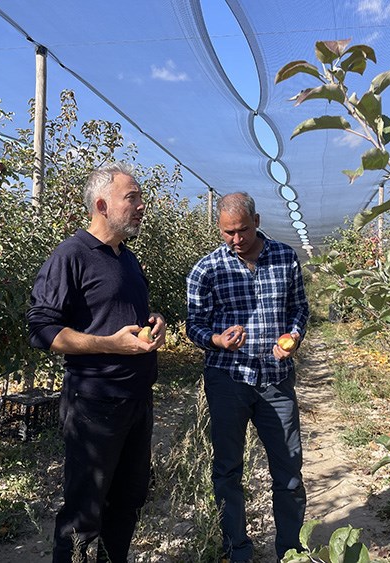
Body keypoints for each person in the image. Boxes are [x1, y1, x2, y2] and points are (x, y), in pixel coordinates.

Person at [27, 162, 166, 563]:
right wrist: (109, 345)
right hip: (95, 405)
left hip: (136, 400)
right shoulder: (72, 255)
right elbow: (41, 328)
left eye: (141, 197)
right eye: (133, 197)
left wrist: (152, 320)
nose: (142, 206)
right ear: (103, 205)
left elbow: (120, 312)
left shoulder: (126, 258)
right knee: (85, 513)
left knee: (127, 500)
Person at [185, 192, 309, 562]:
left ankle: (290, 549)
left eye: (241, 230)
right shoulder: (206, 270)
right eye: (227, 233)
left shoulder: (285, 257)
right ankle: (237, 548)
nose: (236, 239)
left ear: (256, 220)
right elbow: (194, 326)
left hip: (276, 377)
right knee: (227, 469)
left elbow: (299, 309)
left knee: (288, 469)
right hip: (228, 379)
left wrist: (295, 337)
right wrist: (216, 340)